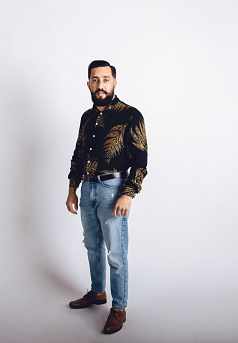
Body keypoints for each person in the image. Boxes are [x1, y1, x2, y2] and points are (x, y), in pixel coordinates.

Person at [66, 60, 148, 334]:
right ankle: (97, 292)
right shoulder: (86, 118)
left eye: (105, 79)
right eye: (95, 80)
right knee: (92, 245)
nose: (100, 85)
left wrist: (129, 193)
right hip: (87, 189)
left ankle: (119, 308)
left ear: (114, 82)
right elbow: (78, 153)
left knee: (116, 253)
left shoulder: (130, 115)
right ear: (88, 84)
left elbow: (141, 159)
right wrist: (72, 189)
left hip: (113, 190)